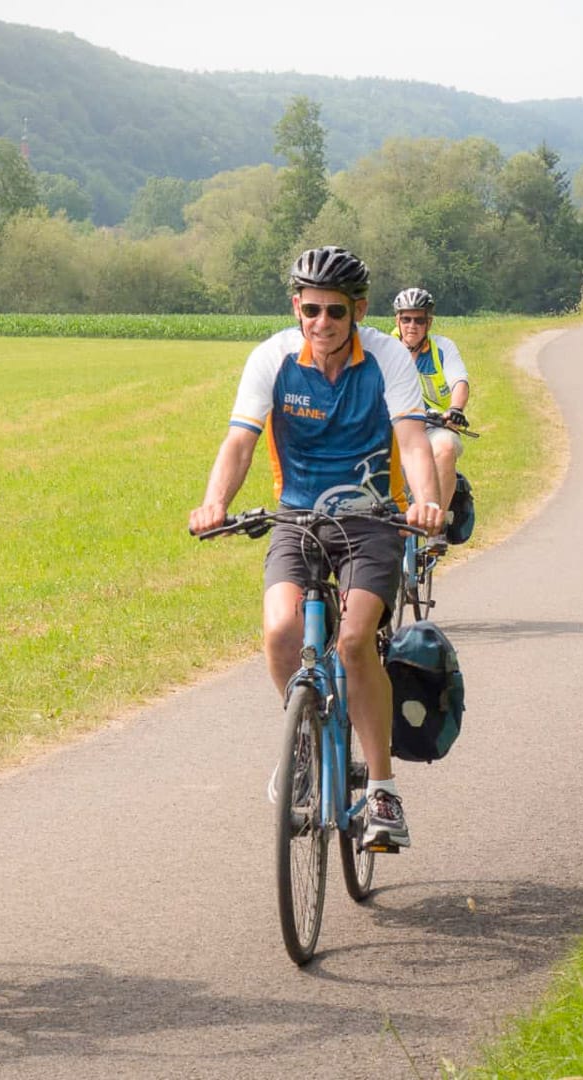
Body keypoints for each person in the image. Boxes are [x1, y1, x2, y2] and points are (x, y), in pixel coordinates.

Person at [188, 247, 445, 850]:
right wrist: (214, 501)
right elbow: (240, 441)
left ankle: (382, 789)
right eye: (310, 310)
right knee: (280, 633)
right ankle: (303, 735)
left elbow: (412, 441)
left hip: (373, 519)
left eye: (335, 311)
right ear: (295, 308)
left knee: (356, 644)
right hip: (295, 517)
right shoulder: (272, 359)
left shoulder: (385, 358)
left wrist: (426, 501)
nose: (322, 323)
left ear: (357, 311)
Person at [391, 286, 471, 522]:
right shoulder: (386, 347)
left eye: (419, 320)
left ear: (429, 322)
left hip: (434, 425)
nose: (412, 326)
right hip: (395, 426)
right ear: (397, 320)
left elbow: (459, 382)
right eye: (406, 319)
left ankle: (437, 525)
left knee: (445, 448)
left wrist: (455, 410)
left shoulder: (442, 348)